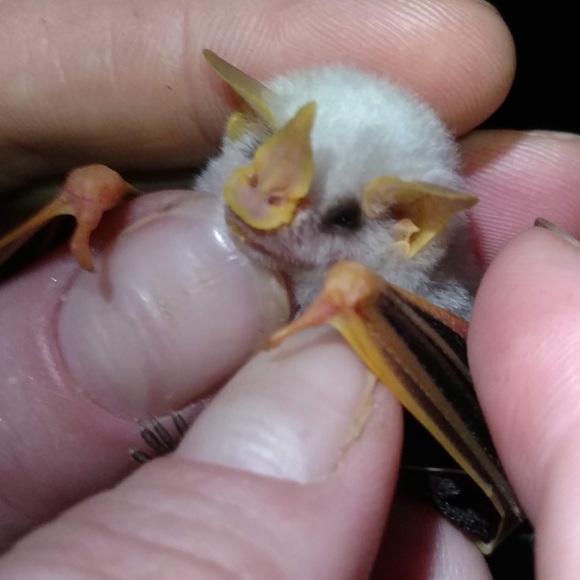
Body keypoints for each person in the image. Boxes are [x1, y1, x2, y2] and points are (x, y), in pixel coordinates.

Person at [0, 0, 577, 577]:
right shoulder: (186, 223)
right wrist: (105, 210)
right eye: (259, 154)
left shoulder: (409, 315)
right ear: (241, 130)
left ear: (409, 230)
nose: (266, 209)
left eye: (342, 217)